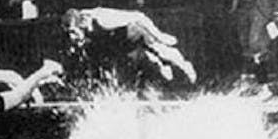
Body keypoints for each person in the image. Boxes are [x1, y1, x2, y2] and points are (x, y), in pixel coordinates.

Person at [65, 7, 196, 83]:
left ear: (81, 24)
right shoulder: (84, 34)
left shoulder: (102, 19)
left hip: (138, 30)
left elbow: (139, 17)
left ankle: (182, 64)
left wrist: (159, 36)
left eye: (73, 32)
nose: (72, 37)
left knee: (161, 50)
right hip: (120, 42)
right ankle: (161, 64)